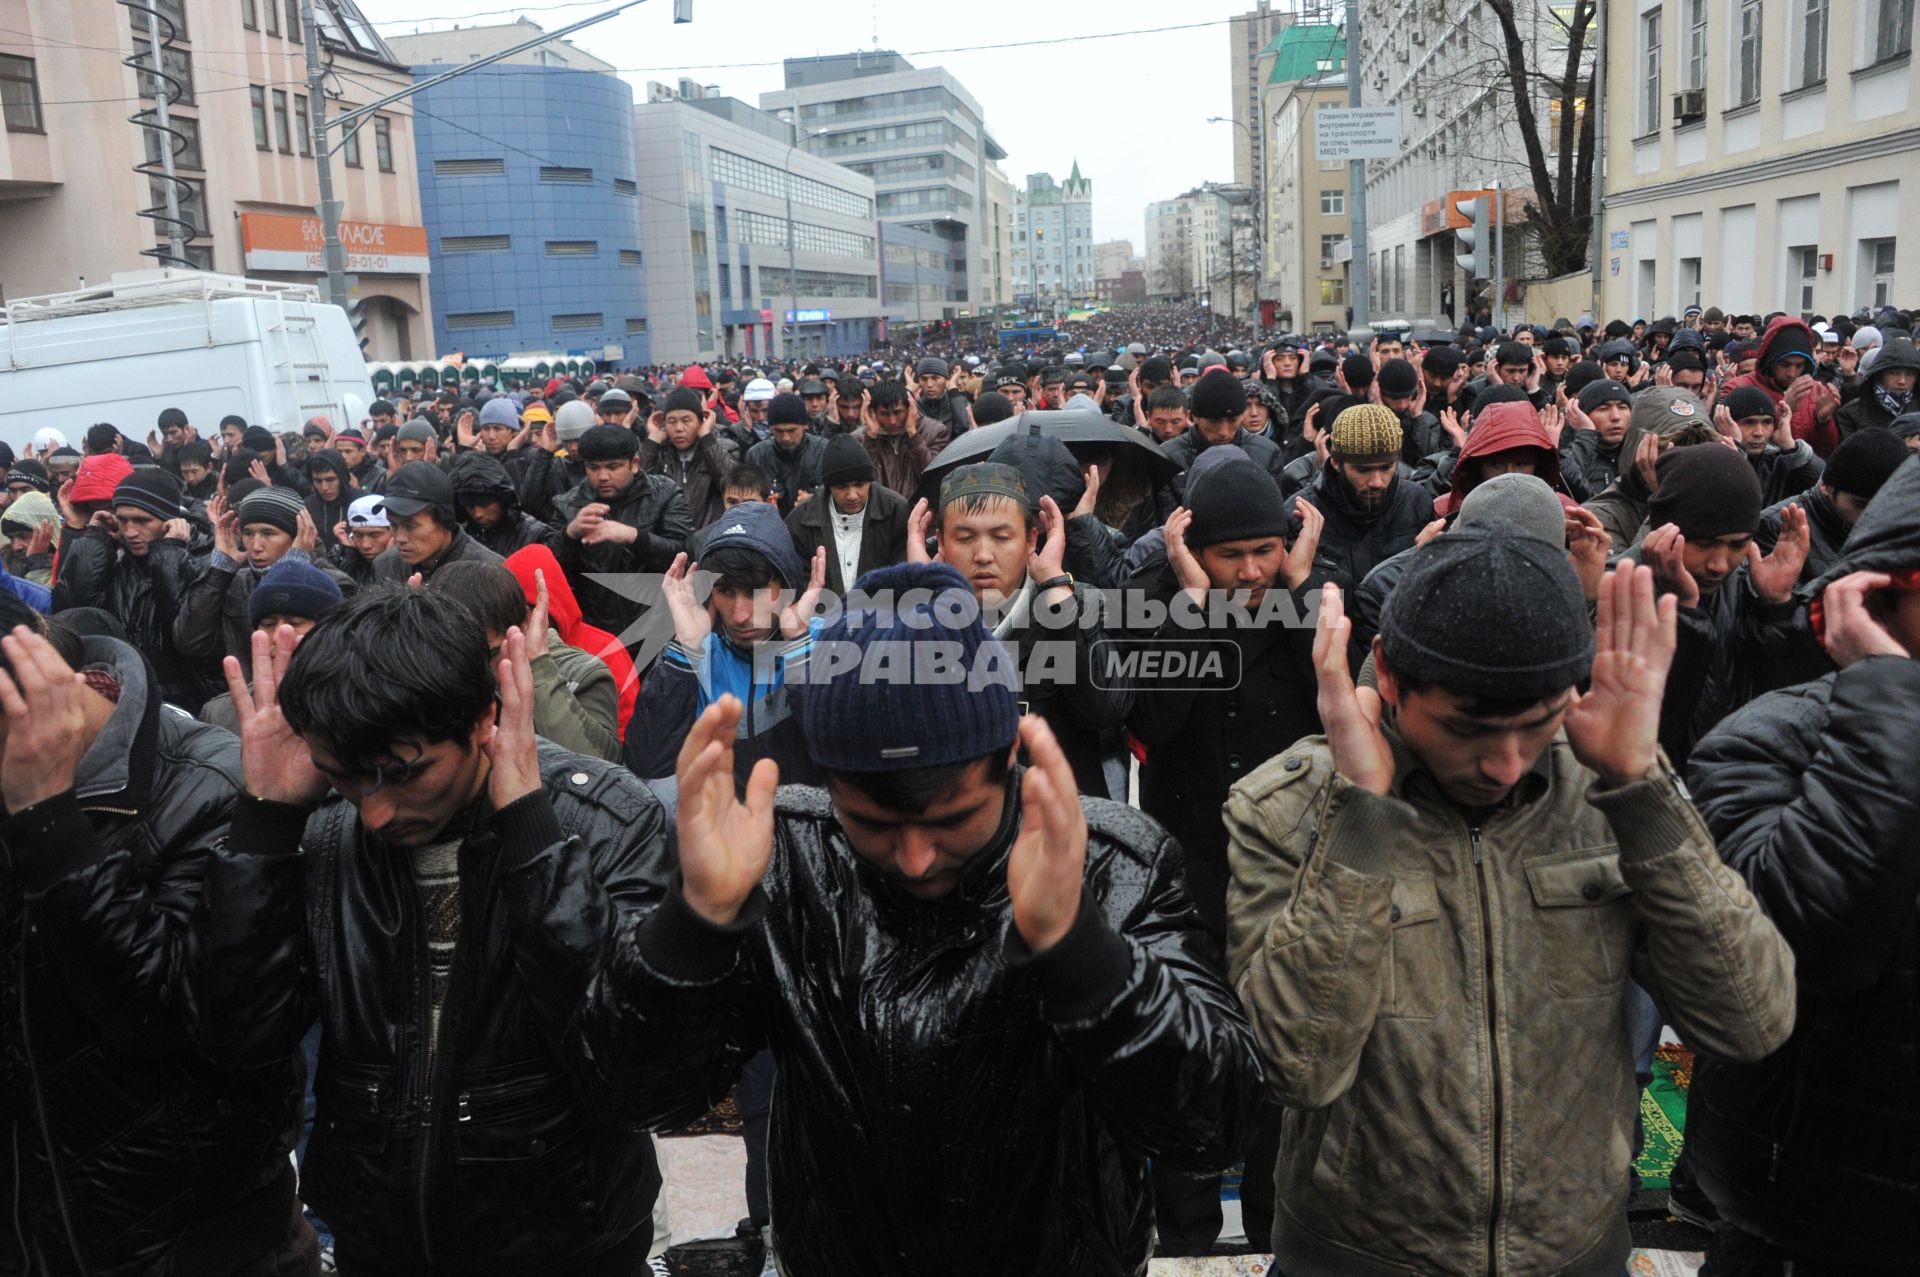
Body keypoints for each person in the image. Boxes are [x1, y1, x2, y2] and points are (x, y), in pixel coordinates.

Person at [579, 558, 1262, 1275]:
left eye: (953, 820)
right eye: (872, 823)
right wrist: (695, 922)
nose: (912, 857)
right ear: (829, 780)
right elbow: (633, 1091)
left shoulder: (1109, 859)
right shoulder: (786, 860)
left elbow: (1213, 1123)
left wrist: (1081, 947)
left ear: (1008, 757)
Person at [1225, 543, 1796, 1277]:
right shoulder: (1289, 809)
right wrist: (1360, 818)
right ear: (1388, 675)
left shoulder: (1606, 792)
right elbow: (1294, 1066)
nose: (1504, 762)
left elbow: (1751, 1019)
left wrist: (1644, 792)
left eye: (1537, 723)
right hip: (1357, 1256)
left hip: (1575, 1253)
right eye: (1466, 728)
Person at [191, 587, 672, 1275]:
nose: (378, 811)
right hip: (376, 1235)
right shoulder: (327, 833)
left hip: (564, 1238)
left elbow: (630, 1066)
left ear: (482, 720)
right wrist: (266, 825)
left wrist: (533, 842)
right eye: (347, 778)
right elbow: (241, 1034)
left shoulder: (605, 819)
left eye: (403, 773)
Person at [0, 607, 320, 1277]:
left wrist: (49, 821)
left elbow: (191, 1026)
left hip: (190, 1241)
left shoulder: (220, 786)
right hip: (36, 1226)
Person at [1684, 456, 1920, 1277]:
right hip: (1807, 1214)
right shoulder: (1770, 741)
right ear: (1875, 596)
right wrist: (1889, 693)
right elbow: (1813, 941)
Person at [1122, 457, 1323, 1254]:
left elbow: (1338, 708)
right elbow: (1153, 722)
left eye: (1264, 551)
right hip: (1192, 876)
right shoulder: (1157, 608)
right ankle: (1188, 1239)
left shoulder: (1312, 606)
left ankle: (1278, 1234)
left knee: (1283, 1070)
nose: (1249, 571)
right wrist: (1194, 608)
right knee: (1191, 1065)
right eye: (1229, 556)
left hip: (1291, 881)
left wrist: (1297, 596)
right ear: (1193, 551)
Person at [1630, 443, 1813, 764]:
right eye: (1705, 543)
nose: (1719, 564)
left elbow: (1792, 706)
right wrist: (1684, 611)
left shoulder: (1747, 584)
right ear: (1666, 530)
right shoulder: (1622, 587)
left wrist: (1777, 607)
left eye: (1737, 544)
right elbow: (1649, 735)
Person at [624, 502, 825, 792]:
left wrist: (799, 647)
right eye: (726, 591)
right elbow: (646, 764)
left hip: (809, 829)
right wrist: (685, 647)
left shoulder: (823, 640)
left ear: (787, 585)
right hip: (724, 830)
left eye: (755, 592)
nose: (740, 614)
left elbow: (841, 751)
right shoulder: (695, 655)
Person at [52, 462, 216, 711]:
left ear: (171, 520)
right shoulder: (118, 562)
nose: (130, 532)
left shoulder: (205, 561)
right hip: (128, 698)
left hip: (191, 703)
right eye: (123, 520)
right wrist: (95, 538)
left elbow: (188, 635)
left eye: (142, 521)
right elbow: (74, 610)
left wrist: (169, 555)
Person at [426, 559, 621, 763]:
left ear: (524, 622)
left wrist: (540, 669)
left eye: (488, 654)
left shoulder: (580, 673)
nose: (473, 671)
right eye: (457, 657)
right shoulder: (434, 664)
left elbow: (596, 766)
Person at [176, 486, 353, 674]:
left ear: (297, 533)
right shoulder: (234, 582)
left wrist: (291, 570)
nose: (256, 546)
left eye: (269, 533)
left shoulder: (334, 585)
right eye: (248, 533)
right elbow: (190, 641)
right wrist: (219, 572)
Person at [552, 424, 693, 646]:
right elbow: (551, 570)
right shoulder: (569, 505)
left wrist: (634, 537)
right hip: (597, 634)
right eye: (593, 468)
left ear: (634, 463)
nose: (603, 476)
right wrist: (570, 534)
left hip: (657, 630)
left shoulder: (664, 494)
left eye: (613, 467)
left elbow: (683, 553)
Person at [1292, 404, 1437, 591]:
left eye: (1386, 468)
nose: (1377, 482)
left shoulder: (1416, 502)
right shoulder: (1301, 514)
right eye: (1363, 469)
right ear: (1336, 462)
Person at [198, 556, 346, 734]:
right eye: (268, 624)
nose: (279, 636)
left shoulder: (357, 705)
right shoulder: (220, 715)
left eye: (296, 623)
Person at [784, 433, 909, 598]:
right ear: (829, 487)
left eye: (860, 485)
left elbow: (903, 575)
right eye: (842, 487)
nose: (852, 495)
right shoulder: (800, 522)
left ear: (870, 481)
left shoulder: (896, 512)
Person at [371, 460, 505, 585]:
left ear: (445, 522)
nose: (400, 538)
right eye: (393, 524)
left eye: (410, 526)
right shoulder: (386, 565)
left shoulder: (489, 573)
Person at [1161, 369, 1289, 489]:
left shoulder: (1268, 454)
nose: (1224, 432)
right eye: (1213, 421)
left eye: (1232, 420)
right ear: (1195, 417)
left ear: (1242, 415)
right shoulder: (1169, 458)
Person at [640, 387, 738, 529]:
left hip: (708, 538)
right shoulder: (658, 453)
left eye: (686, 420)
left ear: (700, 422)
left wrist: (706, 437)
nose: (679, 428)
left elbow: (733, 484)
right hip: (668, 542)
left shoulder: (724, 447)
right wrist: (653, 440)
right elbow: (637, 486)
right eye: (671, 421)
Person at [1718, 385, 1825, 505]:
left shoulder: (1781, 463)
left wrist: (1791, 447)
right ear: (1727, 423)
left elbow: (1825, 488)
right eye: (1749, 422)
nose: (1759, 432)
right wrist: (1734, 453)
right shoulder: (1709, 459)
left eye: (1767, 422)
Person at [449, 452, 561, 558]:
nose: (478, 514)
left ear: (503, 499)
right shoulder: (459, 536)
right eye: (470, 506)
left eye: (485, 504)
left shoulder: (534, 535)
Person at [860, 378, 948, 497]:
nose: (892, 421)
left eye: (898, 412)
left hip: (920, 509)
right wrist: (871, 438)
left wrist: (913, 434)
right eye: (884, 414)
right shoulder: (860, 438)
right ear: (873, 412)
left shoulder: (934, 431)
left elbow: (933, 477)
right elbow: (860, 479)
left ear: (910, 408)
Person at [744, 393, 826, 515]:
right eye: (779, 431)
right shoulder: (757, 455)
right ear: (771, 428)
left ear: (804, 426)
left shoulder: (824, 451)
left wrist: (815, 500)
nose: (785, 437)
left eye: (791, 430)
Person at [1834, 332, 1920, 441]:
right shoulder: (1851, 414)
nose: (1902, 381)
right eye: (1894, 373)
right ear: (1880, 374)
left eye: (1909, 374)